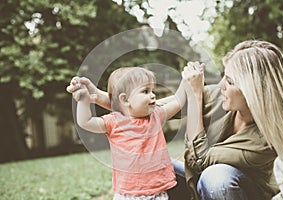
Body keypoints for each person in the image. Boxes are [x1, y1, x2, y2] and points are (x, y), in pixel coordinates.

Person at [67, 40, 283, 200]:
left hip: (230, 189)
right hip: (197, 184)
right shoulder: (219, 96)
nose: (221, 85)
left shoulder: (267, 138)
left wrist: (195, 95)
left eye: (229, 81)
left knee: (217, 177)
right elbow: (142, 108)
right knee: (157, 165)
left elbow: (201, 163)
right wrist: (95, 94)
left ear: (253, 91)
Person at [70, 66, 192, 200]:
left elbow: (177, 102)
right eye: (145, 91)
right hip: (127, 195)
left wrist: (186, 80)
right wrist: (84, 101)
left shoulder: (156, 116)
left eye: (152, 90)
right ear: (125, 99)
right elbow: (85, 122)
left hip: (158, 193)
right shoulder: (114, 122)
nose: (153, 95)